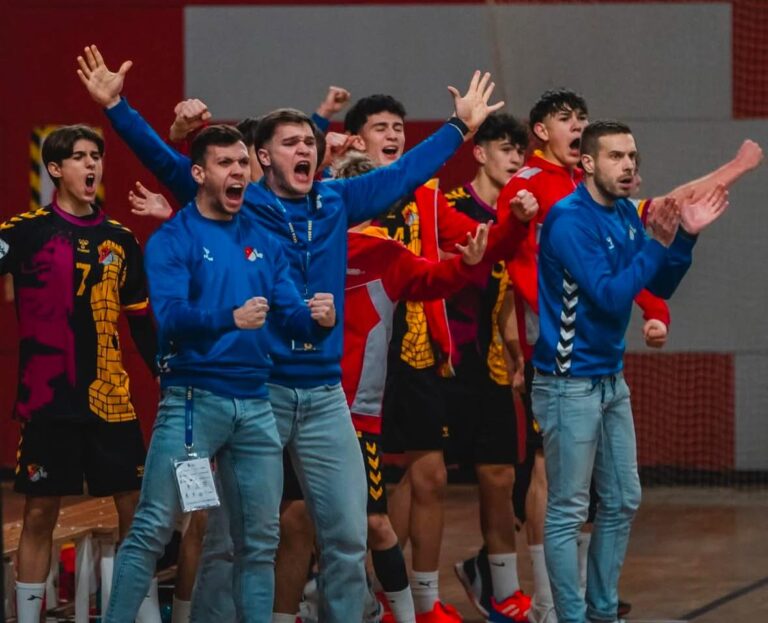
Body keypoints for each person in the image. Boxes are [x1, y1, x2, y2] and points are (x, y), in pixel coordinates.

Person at [77, 43, 504, 622]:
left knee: (349, 539)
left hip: (327, 398)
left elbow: (406, 171)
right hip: (257, 394)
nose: (304, 149)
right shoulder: (240, 204)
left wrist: (459, 127)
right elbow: (170, 164)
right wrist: (117, 108)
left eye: (310, 142)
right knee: (231, 539)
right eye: (291, 143)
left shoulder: (338, 200)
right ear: (262, 157)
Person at [104, 124, 336, 623]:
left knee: (258, 542)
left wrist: (319, 321)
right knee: (151, 529)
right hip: (193, 402)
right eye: (225, 164)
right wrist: (228, 318)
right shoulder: (172, 240)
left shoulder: (264, 241)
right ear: (199, 173)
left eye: (242, 164)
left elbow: (291, 316)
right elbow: (167, 322)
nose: (238, 173)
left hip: (255, 405)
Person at [341, 94, 536, 623]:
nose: (394, 134)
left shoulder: (425, 194)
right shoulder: (336, 196)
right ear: (356, 139)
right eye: (381, 127)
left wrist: (515, 225)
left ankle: (421, 601)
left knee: (430, 477)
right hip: (352, 365)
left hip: (418, 355)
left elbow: (481, 246)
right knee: (342, 502)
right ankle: (346, 590)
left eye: (399, 127)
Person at [532, 119, 730, 623]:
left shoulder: (622, 213)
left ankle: (602, 612)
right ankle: (571, 617)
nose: (628, 166)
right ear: (588, 164)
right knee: (569, 510)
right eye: (617, 157)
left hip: (608, 379)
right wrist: (657, 244)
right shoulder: (569, 220)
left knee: (622, 500)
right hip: (568, 383)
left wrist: (683, 238)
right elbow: (612, 294)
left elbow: (655, 285)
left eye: (632, 158)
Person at [0, 124, 158, 623]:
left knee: (136, 510)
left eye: (96, 156)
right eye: (79, 157)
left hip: (111, 399)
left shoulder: (121, 239)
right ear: (55, 169)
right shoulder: (22, 231)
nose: (91, 166)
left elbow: (142, 323)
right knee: (40, 513)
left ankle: (141, 611)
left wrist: (168, 379)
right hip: (48, 400)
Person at [442, 113, 533, 623]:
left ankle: (501, 588)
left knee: (500, 476)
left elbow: (506, 300)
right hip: (438, 364)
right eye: (504, 148)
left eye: (520, 150)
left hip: (491, 366)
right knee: (421, 481)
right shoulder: (450, 208)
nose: (515, 158)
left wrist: (517, 356)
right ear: (478, 153)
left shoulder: (522, 217)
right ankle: (404, 595)